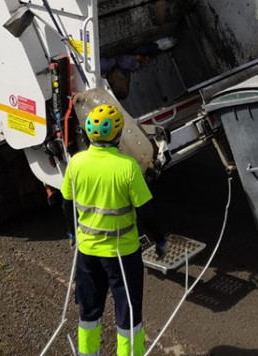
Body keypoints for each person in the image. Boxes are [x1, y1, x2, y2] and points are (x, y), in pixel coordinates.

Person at [62, 103, 166, 356]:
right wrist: (161, 240)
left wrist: (72, 234)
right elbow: (146, 211)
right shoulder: (127, 167)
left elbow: (67, 204)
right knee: (128, 314)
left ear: (87, 134)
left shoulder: (76, 163)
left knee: (89, 310)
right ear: (118, 135)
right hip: (123, 254)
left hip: (87, 253)